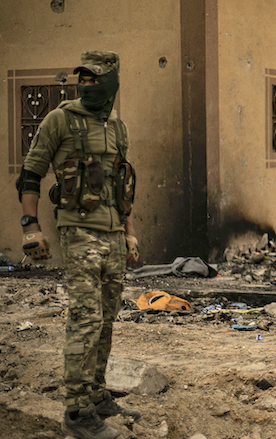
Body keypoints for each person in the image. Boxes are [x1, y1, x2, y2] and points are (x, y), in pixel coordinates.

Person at [16, 51, 141, 439]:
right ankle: (76, 412)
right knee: (85, 319)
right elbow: (31, 174)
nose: (86, 85)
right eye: (82, 78)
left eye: (94, 79)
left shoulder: (118, 126)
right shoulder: (60, 119)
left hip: (114, 234)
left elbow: (123, 184)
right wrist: (30, 228)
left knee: (106, 318)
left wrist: (130, 231)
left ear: (111, 82)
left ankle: (97, 394)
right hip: (78, 232)